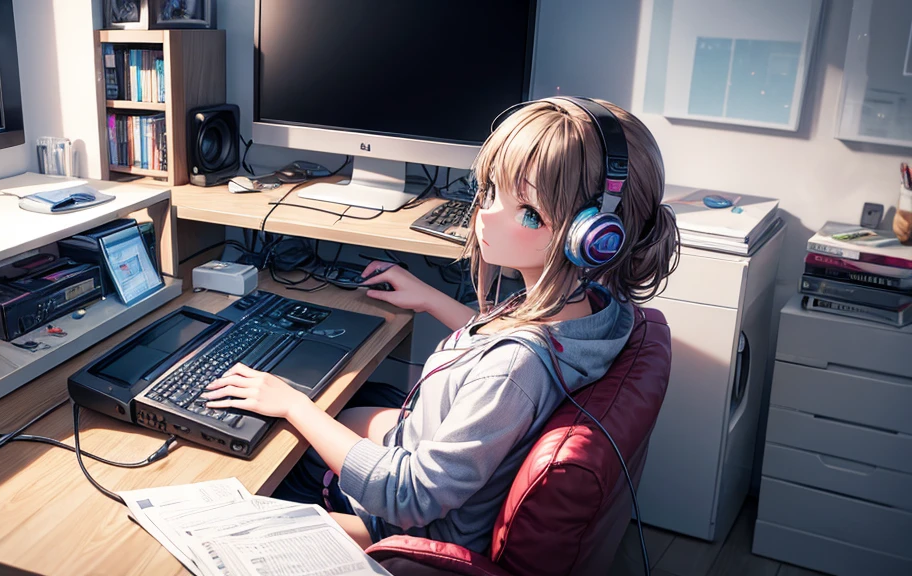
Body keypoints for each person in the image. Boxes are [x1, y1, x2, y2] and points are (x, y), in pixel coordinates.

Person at [202, 97, 679, 554]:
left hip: (398, 524)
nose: (484, 212)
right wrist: (431, 298)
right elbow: (510, 352)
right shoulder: (593, 308)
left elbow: (407, 498)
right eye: (490, 190)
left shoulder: (515, 370)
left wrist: (293, 405)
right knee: (345, 397)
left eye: (527, 211)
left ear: (594, 238)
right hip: (423, 456)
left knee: (235, 472)